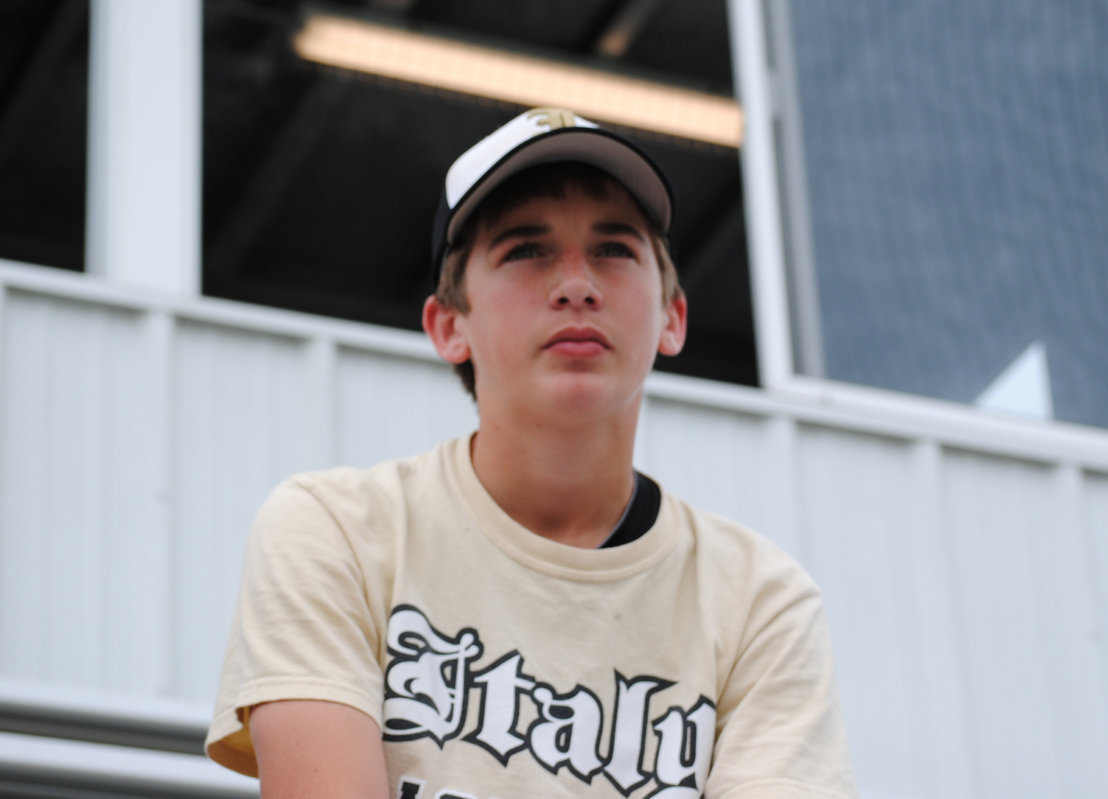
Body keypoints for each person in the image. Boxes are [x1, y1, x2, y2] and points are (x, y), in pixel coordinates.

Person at [205, 106, 857, 799]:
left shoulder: (761, 601)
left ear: (672, 316)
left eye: (614, 249)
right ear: (449, 324)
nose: (576, 283)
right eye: (525, 249)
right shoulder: (334, 529)